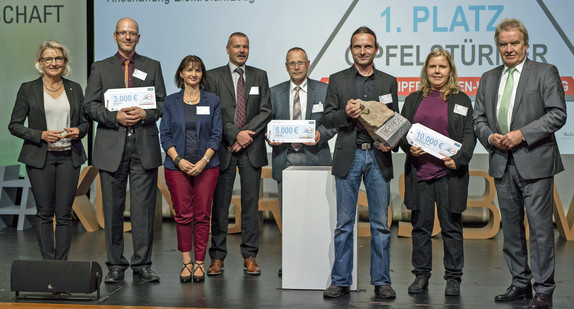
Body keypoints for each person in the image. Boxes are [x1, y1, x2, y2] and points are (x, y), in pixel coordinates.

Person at [473, 18, 566, 309]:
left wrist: (521, 135)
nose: (509, 49)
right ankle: (520, 283)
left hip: (535, 162)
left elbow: (557, 114)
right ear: (497, 46)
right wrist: (490, 138)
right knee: (511, 230)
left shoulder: (544, 72)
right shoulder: (488, 77)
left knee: (539, 230)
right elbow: (478, 120)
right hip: (502, 162)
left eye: (515, 43)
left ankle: (544, 289)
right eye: (503, 44)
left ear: (525, 44)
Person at [83, 17, 166, 283]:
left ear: (138, 38)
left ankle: (142, 264)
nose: (128, 37)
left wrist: (146, 112)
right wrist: (113, 117)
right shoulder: (100, 67)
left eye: (132, 33)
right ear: (115, 36)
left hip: (144, 145)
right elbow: (90, 105)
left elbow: (162, 104)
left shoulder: (152, 66)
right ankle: (115, 265)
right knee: (113, 209)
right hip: (111, 146)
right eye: (123, 33)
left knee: (143, 211)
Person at [322, 26, 399, 299]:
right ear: (351, 49)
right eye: (357, 47)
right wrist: (345, 113)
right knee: (344, 224)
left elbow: (396, 122)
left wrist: (394, 141)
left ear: (376, 49)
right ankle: (340, 280)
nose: (363, 51)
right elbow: (327, 119)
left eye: (368, 46)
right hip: (349, 155)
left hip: (379, 155)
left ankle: (382, 281)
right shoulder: (337, 80)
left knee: (380, 223)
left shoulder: (389, 82)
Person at [399, 48, 476, 296]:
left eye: (442, 67)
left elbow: (468, 135)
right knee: (420, 227)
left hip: (449, 175)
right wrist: (409, 148)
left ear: (450, 70)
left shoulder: (461, 100)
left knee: (451, 228)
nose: (437, 71)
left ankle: (453, 278)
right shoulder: (412, 99)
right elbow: (402, 133)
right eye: (432, 66)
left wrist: (460, 158)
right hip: (419, 174)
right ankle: (421, 276)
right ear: (426, 70)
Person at [8, 40, 88, 261]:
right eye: (48, 59)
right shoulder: (28, 89)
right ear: (40, 63)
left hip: (69, 157)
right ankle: (48, 265)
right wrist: (40, 135)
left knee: (64, 215)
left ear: (65, 62)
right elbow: (14, 125)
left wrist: (77, 131)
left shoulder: (75, 88)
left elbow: (85, 124)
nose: (54, 63)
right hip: (39, 158)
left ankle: (60, 266)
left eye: (58, 58)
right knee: (44, 213)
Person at [205, 32, 271, 276]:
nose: (241, 50)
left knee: (250, 206)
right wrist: (234, 135)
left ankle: (250, 256)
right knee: (220, 205)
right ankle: (217, 257)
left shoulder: (260, 75)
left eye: (245, 46)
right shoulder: (213, 76)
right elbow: (212, 111)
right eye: (237, 46)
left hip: (251, 149)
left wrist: (244, 136)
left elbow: (266, 111)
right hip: (223, 148)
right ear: (227, 49)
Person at [268, 47, 336, 276]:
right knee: (289, 218)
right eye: (291, 63)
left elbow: (333, 123)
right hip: (284, 160)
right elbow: (267, 124)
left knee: (317, 216)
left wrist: (321, 135)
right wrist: (270, 136)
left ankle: (317, 259)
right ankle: (291, 261)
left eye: (300, 62)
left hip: (316, 159)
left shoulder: (325, 90)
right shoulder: (274, 92)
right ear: (286, 67)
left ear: (307, 64)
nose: (296, 67)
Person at [160, 55, 222, 283]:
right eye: (188, 70)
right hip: (177, 168)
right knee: (183, 216)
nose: (193, 74)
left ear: (202, 74)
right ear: (181, 74)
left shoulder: (212, 101)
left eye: (197, 70)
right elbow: (164, 135)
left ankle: (199, 263)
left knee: (203, 216)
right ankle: (186, 262)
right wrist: (178, 160)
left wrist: (204, 160)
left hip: (207, 167)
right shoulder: (170, 101)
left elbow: (217, 135)